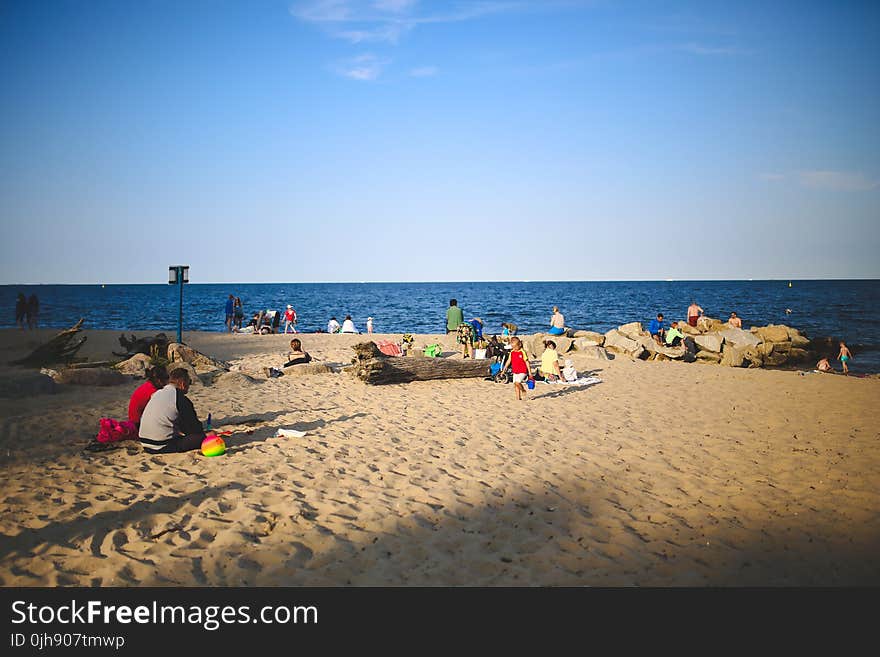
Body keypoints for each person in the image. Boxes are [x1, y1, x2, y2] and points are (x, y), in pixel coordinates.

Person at [138, 368, 207, 454]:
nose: (189, 386)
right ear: (183, 384)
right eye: (189, 382)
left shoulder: (157, 393)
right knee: (202, 437)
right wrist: (206, 434)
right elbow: (193, 429)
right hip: (161, 445)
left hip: (144, 442)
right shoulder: (180, 399)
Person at [503, 336, 532, 401]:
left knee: (517, 382)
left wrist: (530, 372)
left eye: (515, 347)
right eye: (513, 347)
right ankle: (518, 398)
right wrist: (505, 367)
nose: (514, 348)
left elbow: (527, 362)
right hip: (515, 371)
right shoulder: (512, 352)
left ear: (519, 345)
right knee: (515, 385)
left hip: (522, 371)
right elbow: (509, 360)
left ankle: (523, 390)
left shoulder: (522, 352)